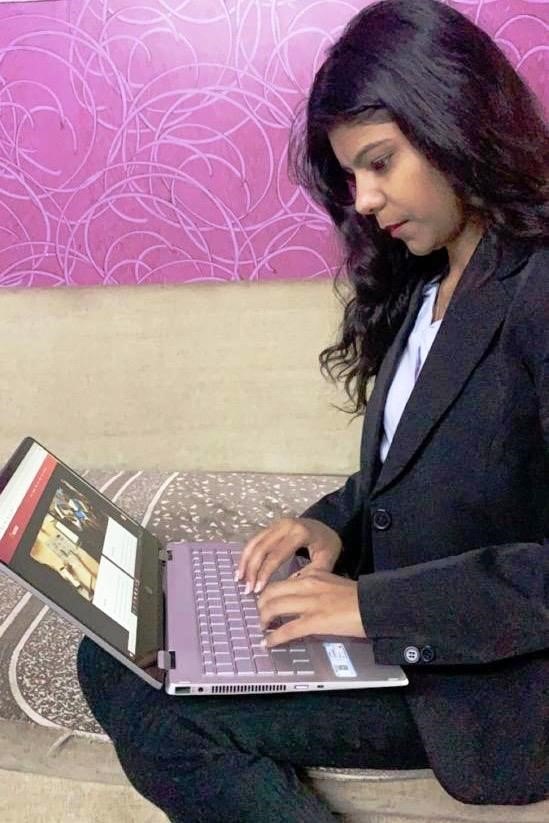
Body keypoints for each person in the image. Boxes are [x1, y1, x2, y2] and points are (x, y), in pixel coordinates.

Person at [76, 1, 548, 820]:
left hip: (487, 673)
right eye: (350, 177)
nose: (363, 199)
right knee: (113, 651)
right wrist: (328, 525)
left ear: (457, 119)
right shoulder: (427, 284)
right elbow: (414, 476)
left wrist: (367, 606)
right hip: (404, 633)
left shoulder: (536, 286)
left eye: (380, 163)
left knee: (165, 711)